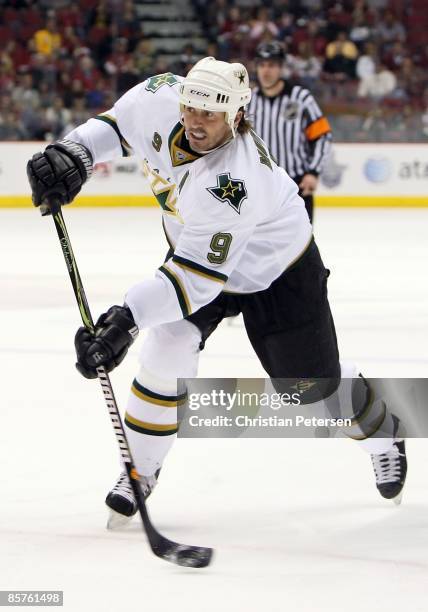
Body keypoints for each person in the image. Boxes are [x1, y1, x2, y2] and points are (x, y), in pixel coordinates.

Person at [27, 57, 407, 527]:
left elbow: (192, 282)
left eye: (210, 114)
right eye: (190, 108)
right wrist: (74, 155)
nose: (195, 121)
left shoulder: (234, 183)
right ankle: (140, 469)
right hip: (197, 253)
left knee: (309, 388)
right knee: (167, 347)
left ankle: (382, 430)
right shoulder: (159, 94)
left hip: (277, 269)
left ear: (238, 117)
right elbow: (113, 127)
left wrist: (125, 320)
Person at [248, 42, 331, 223]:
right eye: (262, 65)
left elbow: (322, 136)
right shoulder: (248, 101)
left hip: (298, 185)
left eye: (271, 65)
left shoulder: (301, 98)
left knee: (302, 247)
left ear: (281, 68)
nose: (265, 71)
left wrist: (313, 172)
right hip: (260, 186)